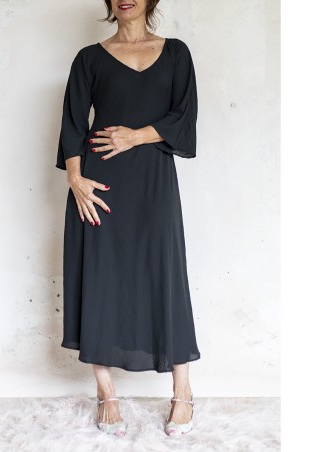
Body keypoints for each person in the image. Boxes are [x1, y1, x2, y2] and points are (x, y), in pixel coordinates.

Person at [55, 0, 201, 437]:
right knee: (100, 275)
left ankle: (183, 391)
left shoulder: (175, 53)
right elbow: (72, 122)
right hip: (99, 182)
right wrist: (76, 180)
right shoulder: (89, 58)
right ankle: (106, 393)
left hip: (154, 181)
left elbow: (184, 115)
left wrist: (136, 136)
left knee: (165, 272)